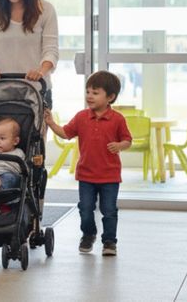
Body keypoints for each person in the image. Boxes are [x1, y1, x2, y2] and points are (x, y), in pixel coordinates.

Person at [45, 71, 132, 257]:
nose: (89, 96)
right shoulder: (81, 117)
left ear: (110, 97)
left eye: (95, 92)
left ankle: (109, 242)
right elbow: (65, 133)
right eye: (88, 92)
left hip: (110, 176)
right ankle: (88, 234)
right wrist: (51, 123)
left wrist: (119, 145)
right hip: (86, 175)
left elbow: (128, 140)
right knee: (85, 208)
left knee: (109, 211)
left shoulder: (117, 119)